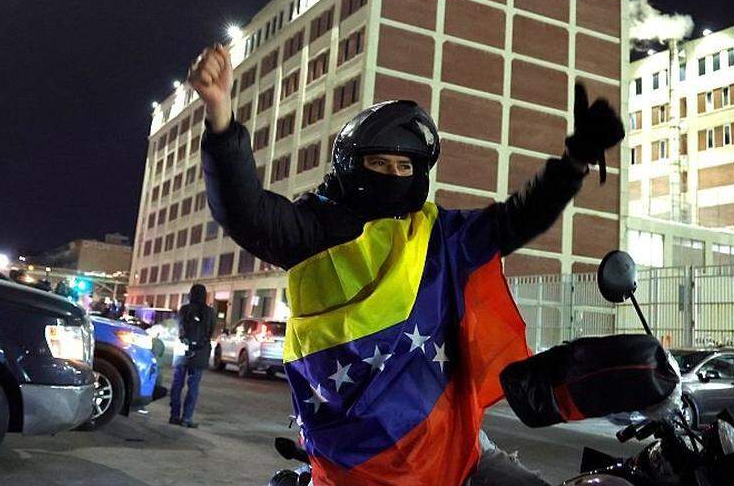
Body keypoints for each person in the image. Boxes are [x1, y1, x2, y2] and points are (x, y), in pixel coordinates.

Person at [189, 42, 623, 486]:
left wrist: (574, 162)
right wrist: (221, 117)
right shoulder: (314, 229)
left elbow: (517, 218)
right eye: (379, 162)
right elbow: (246, 212)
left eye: (405, 166)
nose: (393, 176)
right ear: (350, 165)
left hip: (451, 441)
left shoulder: (440, 235)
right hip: (353, 459)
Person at [169, 283, 216, 428]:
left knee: (177, 384)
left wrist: (186, 341)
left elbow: (179, 327)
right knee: (193, 386)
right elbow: (210, 332)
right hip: (200, 353)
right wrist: (199, 345)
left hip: (183, 350)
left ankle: (174, 415)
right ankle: (187, 418)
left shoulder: (184, 310)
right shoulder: (209, 312)